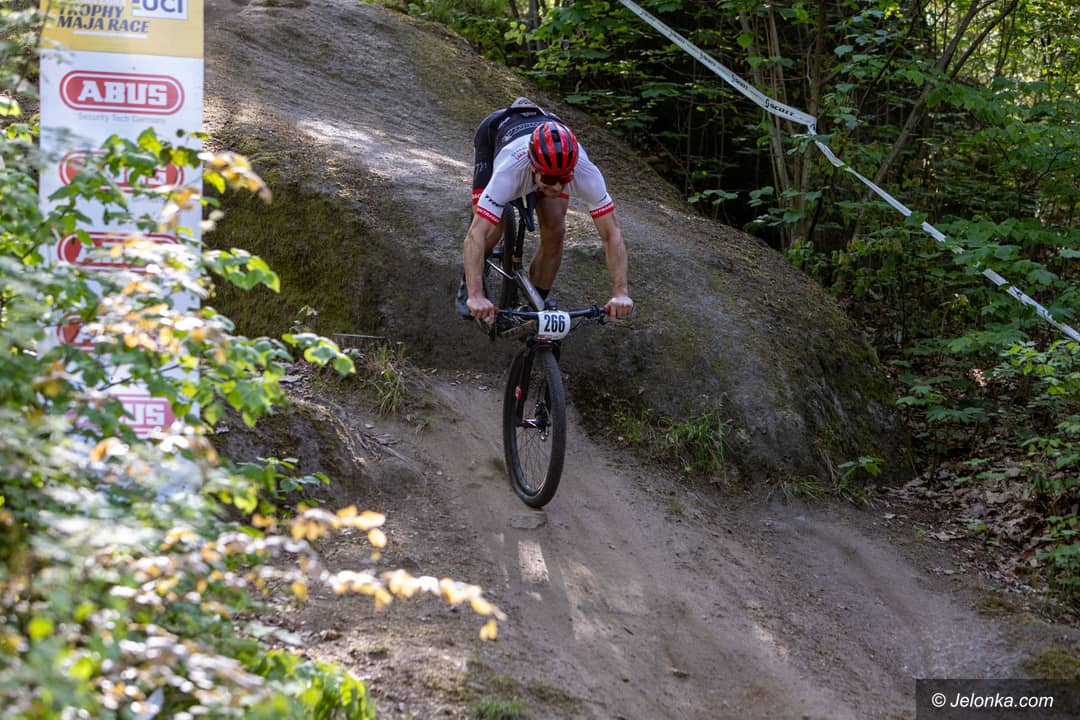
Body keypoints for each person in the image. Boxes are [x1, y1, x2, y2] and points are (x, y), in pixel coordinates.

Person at [456, 98, 634, 325]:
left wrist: (621, 292)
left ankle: (534, 307)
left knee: (556, 230)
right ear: (533, 167)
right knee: (491, 229)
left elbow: (611, 234)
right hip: (495, 133)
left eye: (564, 179)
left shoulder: (585, 172)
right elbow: (475, 234)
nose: (557, 187)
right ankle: (468, 282)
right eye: (550, 179)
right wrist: (475, 295)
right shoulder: (509, 173)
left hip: (548, 137)